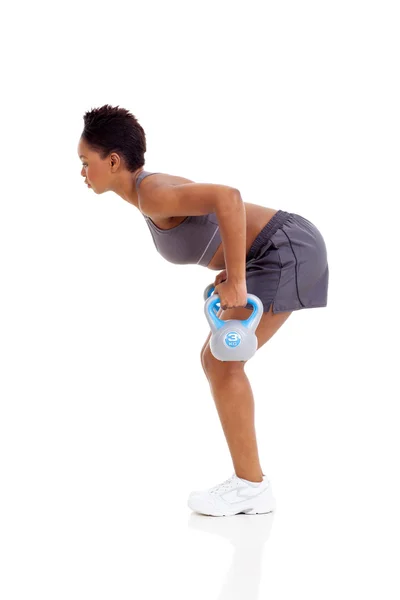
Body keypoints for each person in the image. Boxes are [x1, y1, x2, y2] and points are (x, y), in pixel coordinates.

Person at [77, 104, 329, 517]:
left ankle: (251, 486)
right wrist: (230, 272)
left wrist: (238, 280)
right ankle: (249, 483)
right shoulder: (146, 196)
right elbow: (218, 223)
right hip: (273, 250)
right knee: (216, 359)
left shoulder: (152, 192)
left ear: (114, 160)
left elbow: (229, 198)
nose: (83, 173)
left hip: (287, 247)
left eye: (86, 163)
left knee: (222, 361)